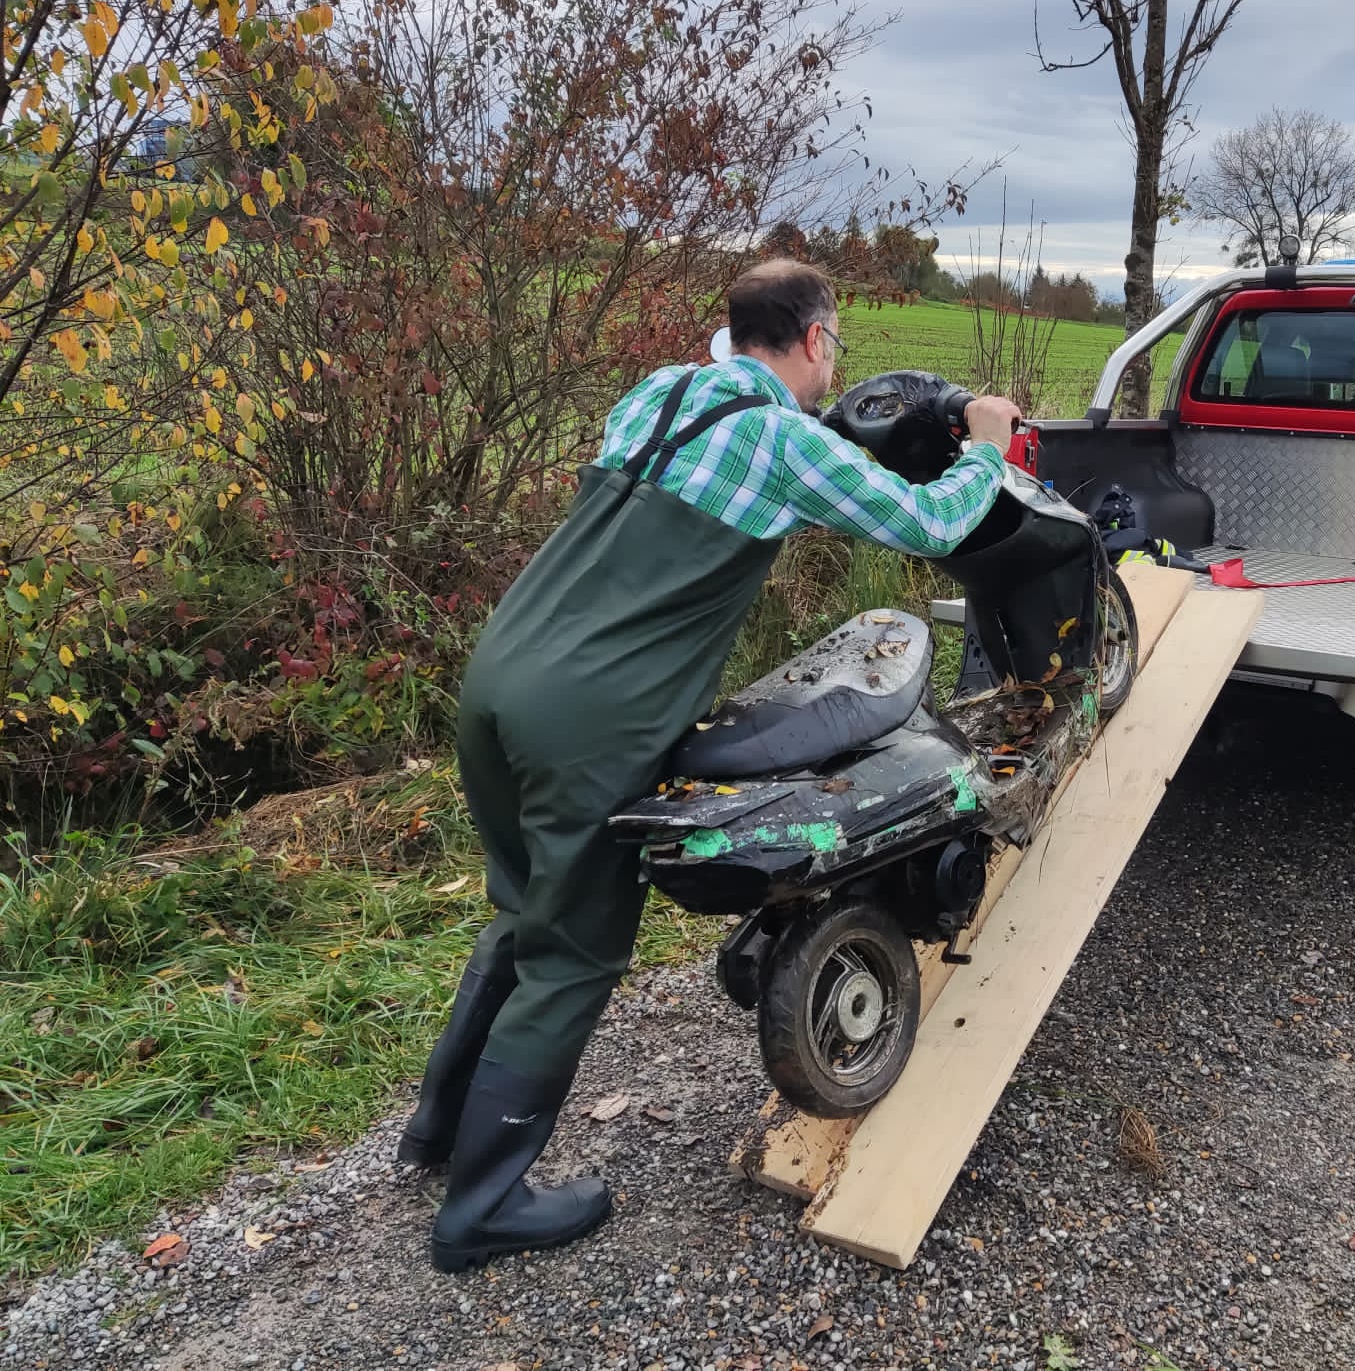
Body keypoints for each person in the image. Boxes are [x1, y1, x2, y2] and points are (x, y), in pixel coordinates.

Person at [400, 259, 1021, 1273]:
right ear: (816, 341)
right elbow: (929, 524)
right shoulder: (778, 441)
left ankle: (434, 1136)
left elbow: (738, 470)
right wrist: (983, 447)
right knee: (574, 954)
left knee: (520, 911)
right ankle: (480, 1209)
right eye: (837, 347)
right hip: (588, 720)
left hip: (500, 679)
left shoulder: (661, 393)